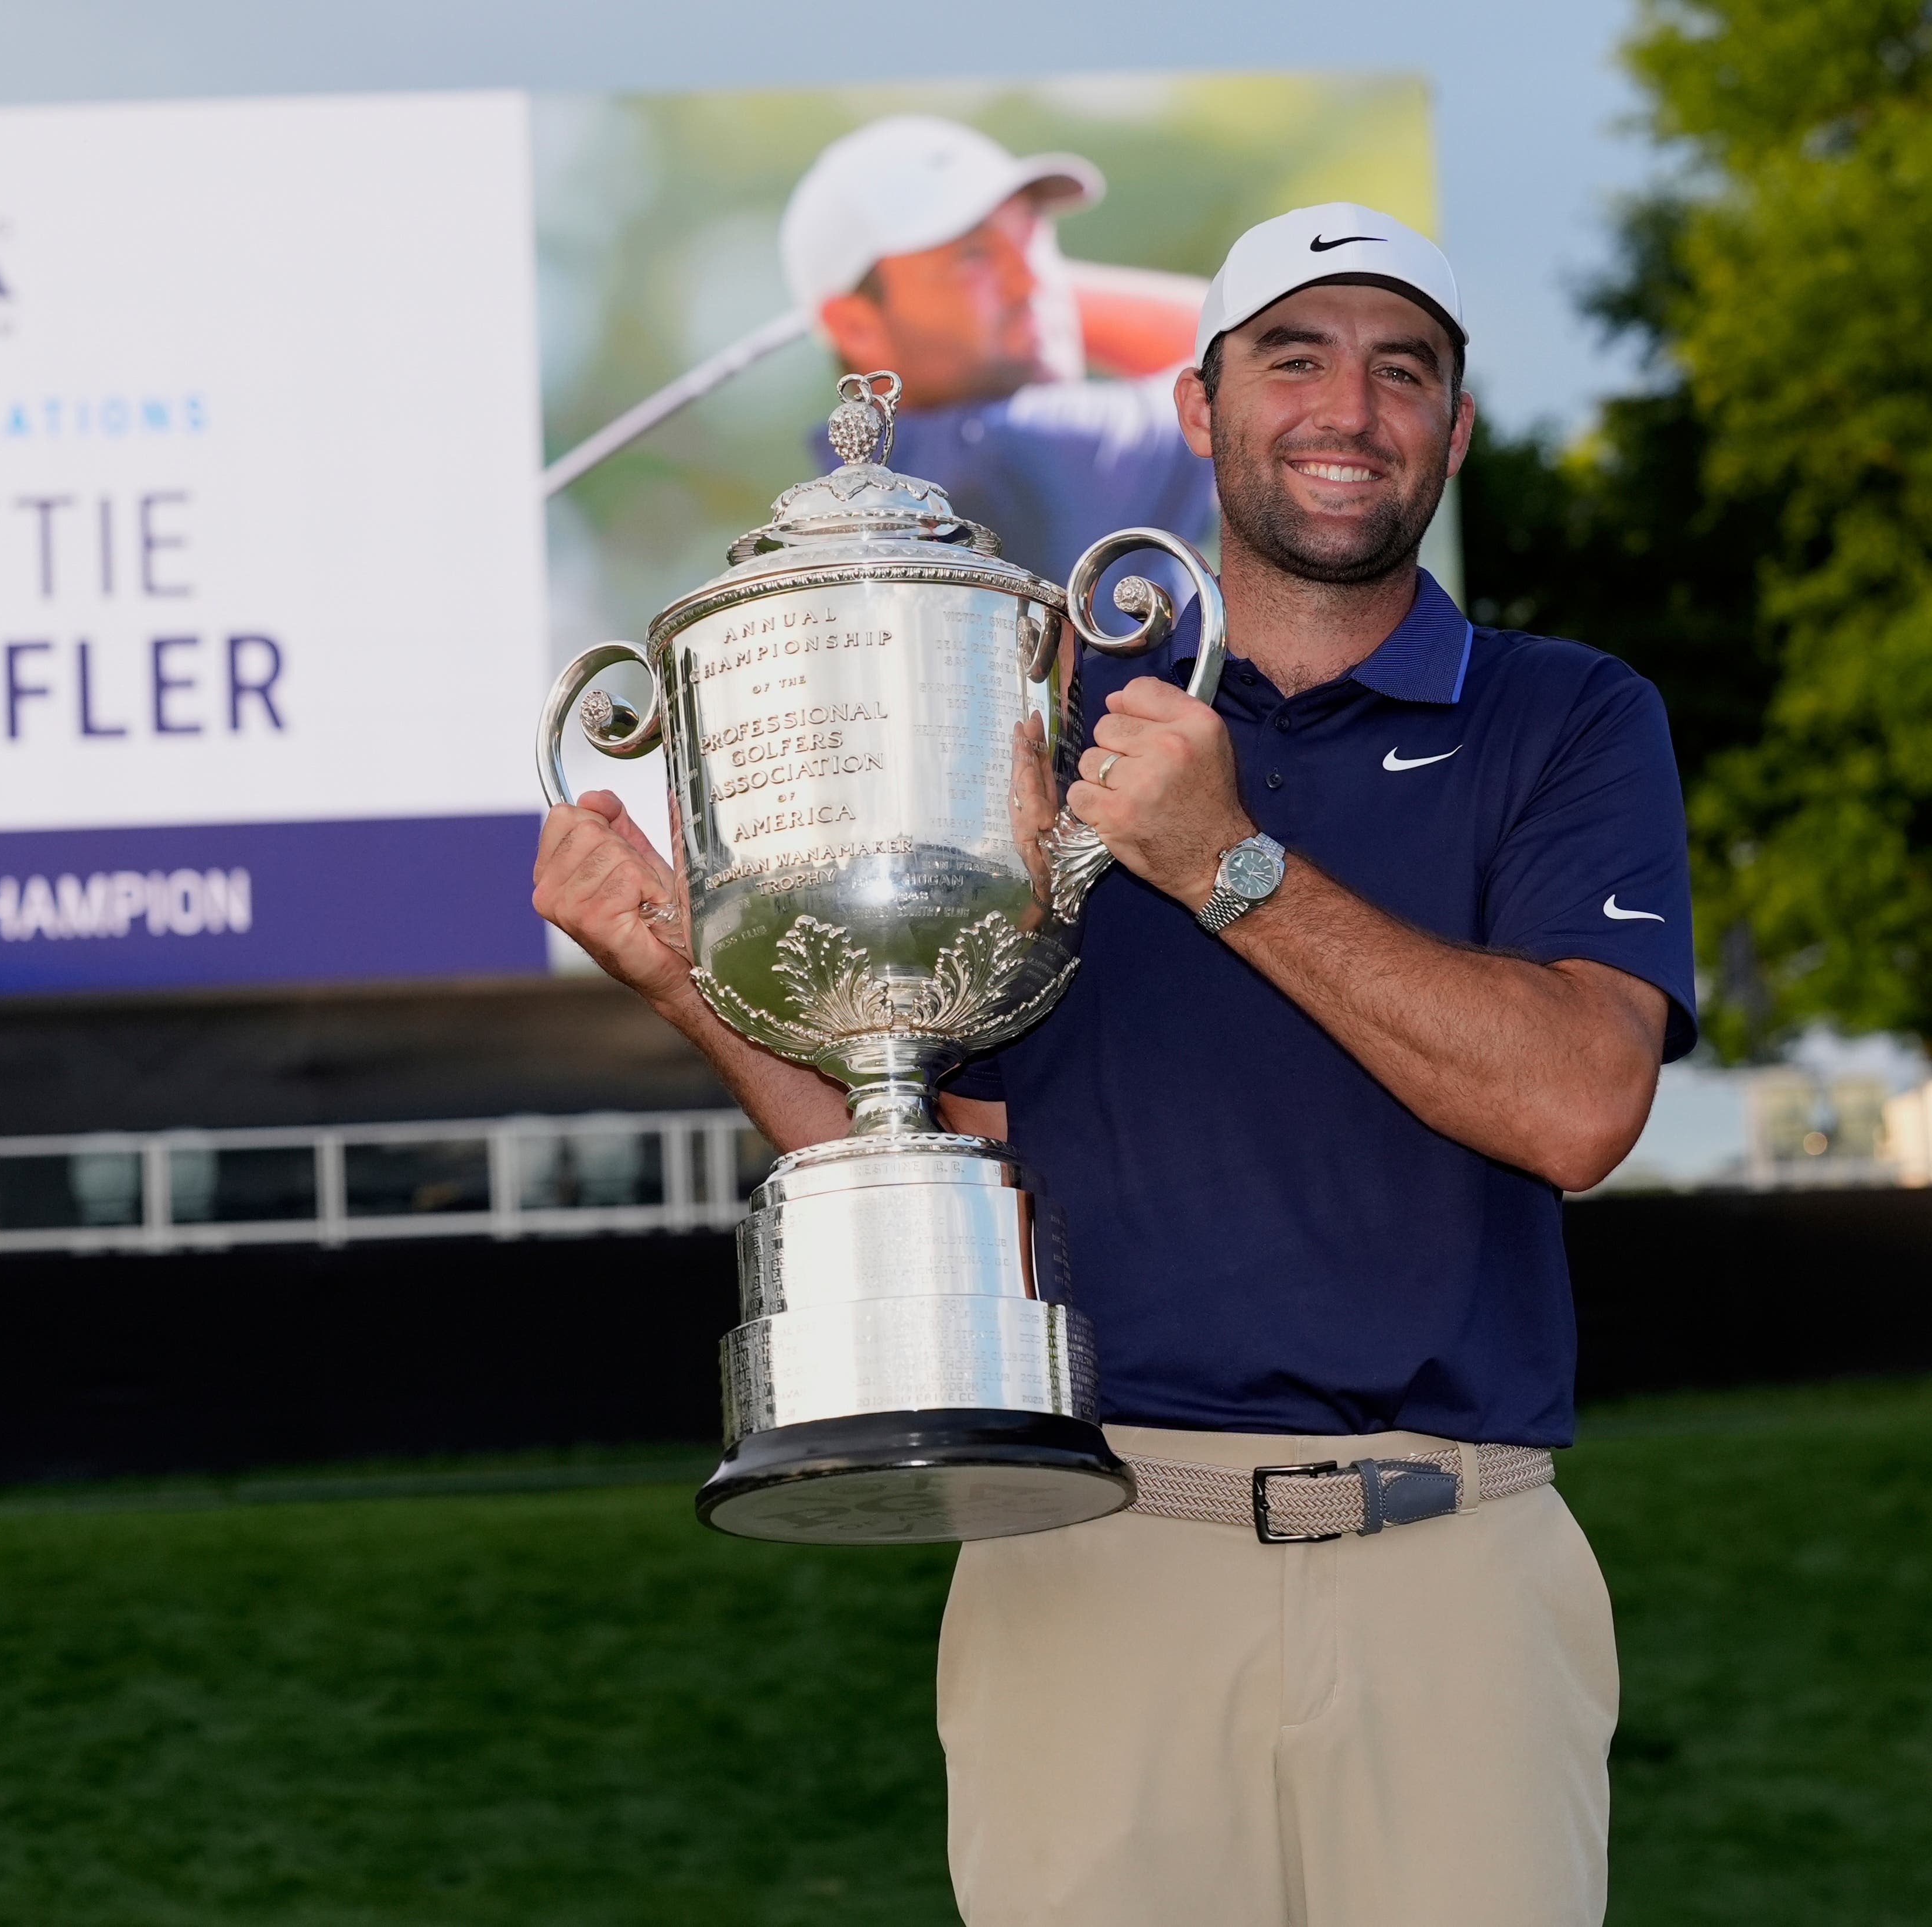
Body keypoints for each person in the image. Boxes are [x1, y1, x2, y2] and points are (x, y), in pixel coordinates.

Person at [532, 202, 1694, 1926]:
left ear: (1450, 432)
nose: (1345, 407)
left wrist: (1225, 863)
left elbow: (1574, 1100)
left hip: (1455, 1561)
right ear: (1194, 407)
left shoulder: (1564, 713)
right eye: (1289, 357)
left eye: (1401, 370)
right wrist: (688, 981)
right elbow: (956, 1147)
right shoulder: (1038, 723)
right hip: (1087, 1554)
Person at [780, 116, 1217, 594]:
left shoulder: (860, 492)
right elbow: (1248, 344)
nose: (1033, 280)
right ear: (855, 325)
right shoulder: (1017, 448)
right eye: (973, 256)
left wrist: (1017, 297)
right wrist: (1040, 305)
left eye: (1031, 234)